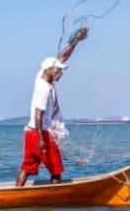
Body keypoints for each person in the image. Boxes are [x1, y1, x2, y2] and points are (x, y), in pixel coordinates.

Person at [16, 27, 88, 186]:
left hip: (29, 132)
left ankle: (16, 195)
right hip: (40, 134)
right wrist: (42, 140)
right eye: (57, 71)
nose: (60, 73)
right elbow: (38, 115)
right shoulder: (44, 89)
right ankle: (56, 205)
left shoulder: (42, 75)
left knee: (27, 168)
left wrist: (75, 41)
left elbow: (62, 57)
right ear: (49, 70)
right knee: (56, 171)